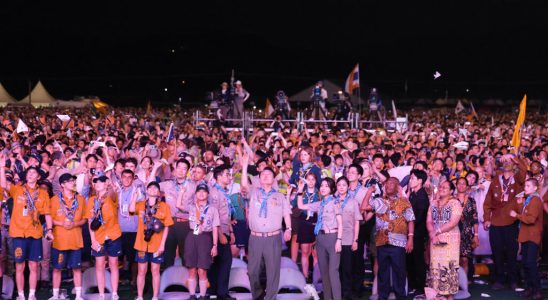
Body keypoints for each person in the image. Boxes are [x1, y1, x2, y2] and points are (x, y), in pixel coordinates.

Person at [240, 151, 292, 300]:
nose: (265, 176)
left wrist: (288, 229)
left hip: (273, 237)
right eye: (262, 174)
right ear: (259, 178)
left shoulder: (279, 196)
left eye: (268, 174)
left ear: (273, 178)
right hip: (255, 238)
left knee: (273, 271)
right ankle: (258, 295)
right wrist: (244, 167)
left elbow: (286, 213)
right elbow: (244, 185)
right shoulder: (254, 192)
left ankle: (270, 298)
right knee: (252, 271)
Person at [0, 160, 53, 300]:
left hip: (35, 233)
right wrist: (1, 167)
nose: (30, 174)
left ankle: (32, 295)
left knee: (34, 266)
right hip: (18, 233)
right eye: (28, 172)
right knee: (19, 266)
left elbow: (47, 214)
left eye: (33, 172)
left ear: (38, 177)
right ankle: (21, 295)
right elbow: (4, 185)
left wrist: (50, 230)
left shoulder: (43, 194)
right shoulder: (18, 189)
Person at [365, 177, 415, 300]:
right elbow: (363, 207)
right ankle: (383, 296)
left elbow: (411, 220)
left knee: (399, 271)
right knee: (383, 272)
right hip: (382, 242)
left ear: (398, 187)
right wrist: (368, 193)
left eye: (392, 183)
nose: (389, 185)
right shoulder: (378, 201)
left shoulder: (404, 201)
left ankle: (400, 296)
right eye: (387, 183)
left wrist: (410, 239)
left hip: (399, 243)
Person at [483, 154, 527, 290]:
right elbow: (487, 202)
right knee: (497, 252)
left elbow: (524, 171)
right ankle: (499, 279)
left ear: (514, 164)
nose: (507, 163)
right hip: (495, 222)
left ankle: (514, 280)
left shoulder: (518, 179)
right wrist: (486, 218)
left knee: (512, 253)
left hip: (511, 222)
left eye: (510, 161)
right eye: (505, 161)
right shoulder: (496, 180)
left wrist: (513, 157)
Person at [297, 177, 342, 300]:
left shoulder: (335, 202)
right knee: (324, 273)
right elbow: (301, 206)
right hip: (320, 238)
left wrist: (339, 240)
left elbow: (340, 222)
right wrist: (300, 191)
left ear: (332, 189)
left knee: (333, 272)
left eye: (326, 186)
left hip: (332, 237)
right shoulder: (319, 204)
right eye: (322, 185)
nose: (323, 188)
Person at [129, 181, 173, 300]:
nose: (153, 189)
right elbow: (131, 209)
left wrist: (162, 245)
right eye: (150, 188)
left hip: (157, 244)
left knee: (155, 270)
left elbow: (167, 226)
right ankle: (139, 296)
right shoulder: (141, 204)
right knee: (141, 271)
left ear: (159, 193)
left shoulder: (164, 206)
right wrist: (134, 196)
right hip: (142, 243)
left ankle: (155, 296)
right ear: (147, 191)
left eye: (155, 188)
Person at [48, 173, 87, 300]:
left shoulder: (80, 199)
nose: (73, 183)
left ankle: (79, 296)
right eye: (70, 181)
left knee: (76, 268)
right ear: (62, 185)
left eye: (73, 181)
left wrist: (75, 223)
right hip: (59, 240)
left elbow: (85, 219)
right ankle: (55, 295)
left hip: (76, 239)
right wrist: (61, 223)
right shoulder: (54, 200)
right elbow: (50, 219)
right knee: (57, 268)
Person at [85, 174, 122, 300]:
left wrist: (109, 180)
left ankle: (114, 292)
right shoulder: (91, 200)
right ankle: (101, 293)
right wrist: (93, 240)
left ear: (106, 183)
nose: (98, 184)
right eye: (96, 182)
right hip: (99, 236)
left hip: (113, 235)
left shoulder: (111, 196)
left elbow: (114, 190)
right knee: (99, 264)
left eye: (101, 182)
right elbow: (90, 221)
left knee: (114, 263)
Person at [181, 183, 219, 300]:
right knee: (191, 268)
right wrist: (182, 193)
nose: (201, 193)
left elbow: (215, 227)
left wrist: (215, 245)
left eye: (204, 191)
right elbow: (178, 205)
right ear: (196, 194)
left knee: (202, 269)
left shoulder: (212, 209)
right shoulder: (192, 207)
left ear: (208, 194)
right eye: (199, 191)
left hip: (205, 238)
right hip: (192, 236)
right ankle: (192, 295)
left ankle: (203, 296)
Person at [426, 181, 462, 300]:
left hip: (450, 239)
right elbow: (429, 221)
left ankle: (449, 295)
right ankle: (437, 295)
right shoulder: (433, 203)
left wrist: (436, 232)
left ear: (451, 190)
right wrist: (432, 234)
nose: (441, 189)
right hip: (435, 239)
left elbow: (453, 222)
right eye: (440, 187)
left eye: (445, 187)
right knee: (435, 265)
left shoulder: (455, 203)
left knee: (448, 265)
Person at [509, 178, 543, 300]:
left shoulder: (535, 200)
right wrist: (520, 206)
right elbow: (527, 215)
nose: (525, 187)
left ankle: (537, 290)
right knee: (526, 263)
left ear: (535, 188)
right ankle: (530, 289)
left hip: (532, 235)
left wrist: (516, 215)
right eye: (525, 185)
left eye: (528, 186)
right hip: (526, 235)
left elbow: (531, 219)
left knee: (530, 263)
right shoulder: (528, 200)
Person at [160, 158, 196, 268]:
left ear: (187, 171)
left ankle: (188, 283)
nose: (181, 171)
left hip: (185, 224)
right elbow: (150, 186)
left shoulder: (193, 186)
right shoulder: (168, 184)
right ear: (175, 169)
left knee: (186, 256)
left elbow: (198, 208)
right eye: (179, 167)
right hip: (169, 224)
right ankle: (167, 283)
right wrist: (155, 169)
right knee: (168, 255)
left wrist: (196, 230)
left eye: (184, 169)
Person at [207, 165, 235, 300]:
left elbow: (226, 214)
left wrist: (231, 231)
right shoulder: (214, 193)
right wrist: (220, 234)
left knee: (221, 262)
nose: (229, 177)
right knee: (223, 262)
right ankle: (220, 293)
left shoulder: (223, 192)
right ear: (218, 176)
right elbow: (213, 215)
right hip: (217, 233)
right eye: (226, 174)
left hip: (224, 230)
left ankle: (216, 292)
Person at [334, 176, 362, 300]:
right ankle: (337, 293)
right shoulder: (332, 201)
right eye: (339, 185)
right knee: (335, 268)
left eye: (344, 185)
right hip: (333, 239)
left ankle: (347, 293)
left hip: (348, 239)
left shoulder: (353, 202)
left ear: (348, 187)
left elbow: (357, 222)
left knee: (347, 268)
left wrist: (355, 240)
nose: (341, 187)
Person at [116, 169, 144, 288]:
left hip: (134, 230)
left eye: (129, 177)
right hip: (120, 230)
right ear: (121, 179)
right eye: (124, 177)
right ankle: (118, 280)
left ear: (133, 179)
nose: (126, 179)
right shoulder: (119, 192)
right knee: (118, 257)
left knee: (133, 258)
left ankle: (134, 281)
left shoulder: (137, 192)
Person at [291, 171, 319, 283]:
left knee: (316, 253)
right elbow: (293, 205)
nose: (311, 181)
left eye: (313, 179)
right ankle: (305, 277)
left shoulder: (320, 193)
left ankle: (317, 278)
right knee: (304, 251)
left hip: (316, 222)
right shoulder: (301, 192)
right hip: (304, 223)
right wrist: (299, 191)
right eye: (309, 179)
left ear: (316, 181)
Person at [406, 170, 429, 299]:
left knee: (418, 260)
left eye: (413, 178)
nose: (411, 180)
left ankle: (420, 287)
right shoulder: (413, 194)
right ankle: (413, 284)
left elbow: (418, 218)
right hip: (411, 232)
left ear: (420, 181)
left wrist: (410, 232)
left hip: (417, 233)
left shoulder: (422, 196)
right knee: (410, 259)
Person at [455, 177, 479, 282]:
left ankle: (464, 284)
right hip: (453, 233)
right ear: (456, 185)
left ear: (467, 186)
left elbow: (475, 218)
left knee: (464, 260)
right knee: (455, 260)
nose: (461, 185)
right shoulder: (451, 200)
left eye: (463, 183)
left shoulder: (471, 200)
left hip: (466, 233)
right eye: (459, 183)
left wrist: (476, 235)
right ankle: (454, 284)